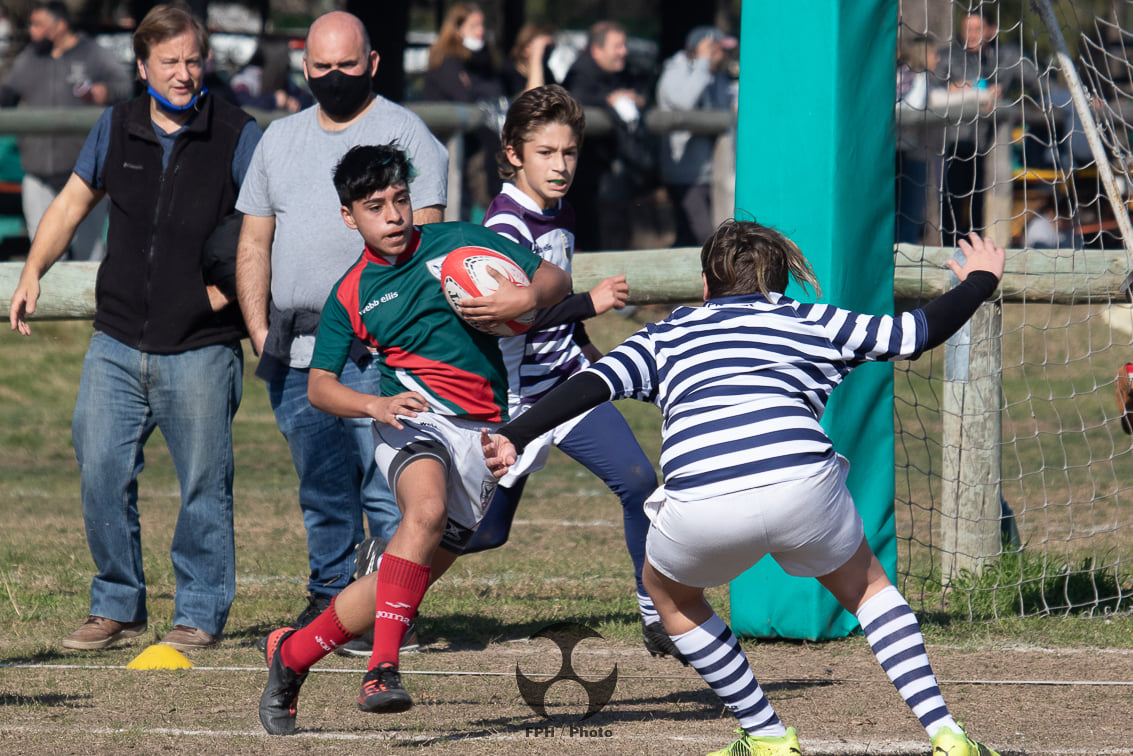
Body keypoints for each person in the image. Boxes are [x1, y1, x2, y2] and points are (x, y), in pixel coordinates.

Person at [482, 222, 1008, 756]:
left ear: (706, 286)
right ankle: (946, 734)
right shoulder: (806, 318)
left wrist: (513, 434)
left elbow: (589, 385)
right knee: (868, 591)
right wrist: (980, 280)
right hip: (802, 485)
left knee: (668, 595)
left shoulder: (668, 332)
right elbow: (917, 332)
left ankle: (767, 737)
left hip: (701, 503)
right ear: (779, 286)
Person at [257, 142, 571, 735]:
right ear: (350, 217)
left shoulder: (460, 242)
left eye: (400, 200)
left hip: (482, 435)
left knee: (402, 577)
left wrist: (527, 296)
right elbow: (321, 385)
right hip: (411, 419)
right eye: (376, 207)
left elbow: (553, 277)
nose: (395, 216)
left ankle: (292, 656)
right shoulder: (350, 293)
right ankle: (382, 670)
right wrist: (374, 403)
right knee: (421, 513)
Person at [8, 4, 262, 652]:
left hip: (201, 346)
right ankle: (116, 603)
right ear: (143, 64)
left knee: (204, 484)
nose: (183, 74)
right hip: (117, 337)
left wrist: (224, 291)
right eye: (169, 62)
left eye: (192, 60)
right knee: (99, 465)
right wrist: (34, 269)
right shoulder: (115, 125)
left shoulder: (237, 132)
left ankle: (199, 613)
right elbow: (71, 201)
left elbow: (266, 225)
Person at [235, 10, 449, 643]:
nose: (333, 77)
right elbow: (254, 239)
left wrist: (406, 337)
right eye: (321, 66)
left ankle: (391, 610)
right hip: (295, 346)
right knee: (322, 491)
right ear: (305, 67)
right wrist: (258, 330)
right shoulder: (278, 139)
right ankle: (329, 597)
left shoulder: (406, 135)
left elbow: (427, 245)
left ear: (373, 63)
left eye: (347, 65)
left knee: (387, 488)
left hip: (376, 350)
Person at [456, 84, 679, 661]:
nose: (560, 166)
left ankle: (656, 614)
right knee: (483, 531)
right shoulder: (504, 229)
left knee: (637, 483)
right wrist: (589, 302)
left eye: (570, 152)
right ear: (513, 153)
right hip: (517, 400)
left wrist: (595, 359)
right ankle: (384, 570)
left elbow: (551, 317)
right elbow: (515, 317)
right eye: (546, 153)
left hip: (566, 384)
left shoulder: (561, 212)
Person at [0, 1, 132, 261]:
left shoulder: (91, 53)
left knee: (89, 255)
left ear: (59, 26)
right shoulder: (30, 58)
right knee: (45, 256)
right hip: (39, 174)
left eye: (38, 24)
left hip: (84, 176)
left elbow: (124, 84)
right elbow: (6, 93)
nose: (32, 30)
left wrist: (103, 91)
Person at [936, 8, 1038, 246]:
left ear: (991, 31)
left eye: (976, 29)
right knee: (951, 208)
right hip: (952, 146)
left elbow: (1042, 85)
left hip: (991, 151)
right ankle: (950, 255)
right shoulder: (949, 57)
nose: (970, 35)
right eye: (966, 30)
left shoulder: (1007, 56)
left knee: (981, 211)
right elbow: (929, 92)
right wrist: (957, 91)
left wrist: (1007, 98)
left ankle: (983, 255)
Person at [562, 20, 652, 251]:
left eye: (624, 45)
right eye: (618, 46)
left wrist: (635, 98)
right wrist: (608, 100)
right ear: (597, 50)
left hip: (608, 174)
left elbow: (643, 89)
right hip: (584, 177)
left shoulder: (622, 70)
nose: (624, 52)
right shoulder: (580, 72)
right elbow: (575, 98)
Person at [421, 1, 505, 220]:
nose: (481, 32)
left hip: (477, 150)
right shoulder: (446, 62)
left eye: (482, 25)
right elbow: (465, 96)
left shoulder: (485, 61)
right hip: (450, 152)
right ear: (456, 29)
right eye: (474, 26)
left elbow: (495, 91)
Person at [655, 25, 736, 247]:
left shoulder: (713, 75)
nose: (723, 54)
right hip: (684, 173)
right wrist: (702, 62)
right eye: (717, 49)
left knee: (691, 238)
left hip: (710, 172)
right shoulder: (675, 71)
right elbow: (685, 101)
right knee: (703, 237)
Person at [895, 31, 943, 245]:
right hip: (903, 153)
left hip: (903, 151)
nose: (938, 59)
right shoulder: (913, 76)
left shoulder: (907, 74)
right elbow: (914, 107)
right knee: (908, 213)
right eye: (934, 53)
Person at [230, 35, 312, 114]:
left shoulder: (284, 79)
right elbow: (241, 101)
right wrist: (274, 100)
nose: (288, 61)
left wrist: (295, 101)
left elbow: (306, 96)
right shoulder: (247, 78)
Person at [499, 22, 556, 97]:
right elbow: (532, 100)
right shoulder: (508, 71)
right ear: (525, 47)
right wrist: (536, 57)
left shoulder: (547, 72)